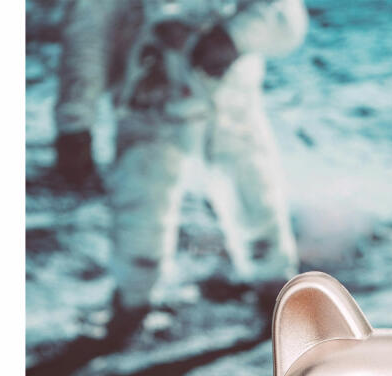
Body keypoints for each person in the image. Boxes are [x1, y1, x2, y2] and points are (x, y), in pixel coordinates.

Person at [55, 0, 308, 340]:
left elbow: (284, 15)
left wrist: (234, 37)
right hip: (149, 97)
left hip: (226, 99)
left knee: (252, 194)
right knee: (140, 207)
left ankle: (274, 288)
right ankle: (133, 301)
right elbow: (90, 31)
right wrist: (75, 121)